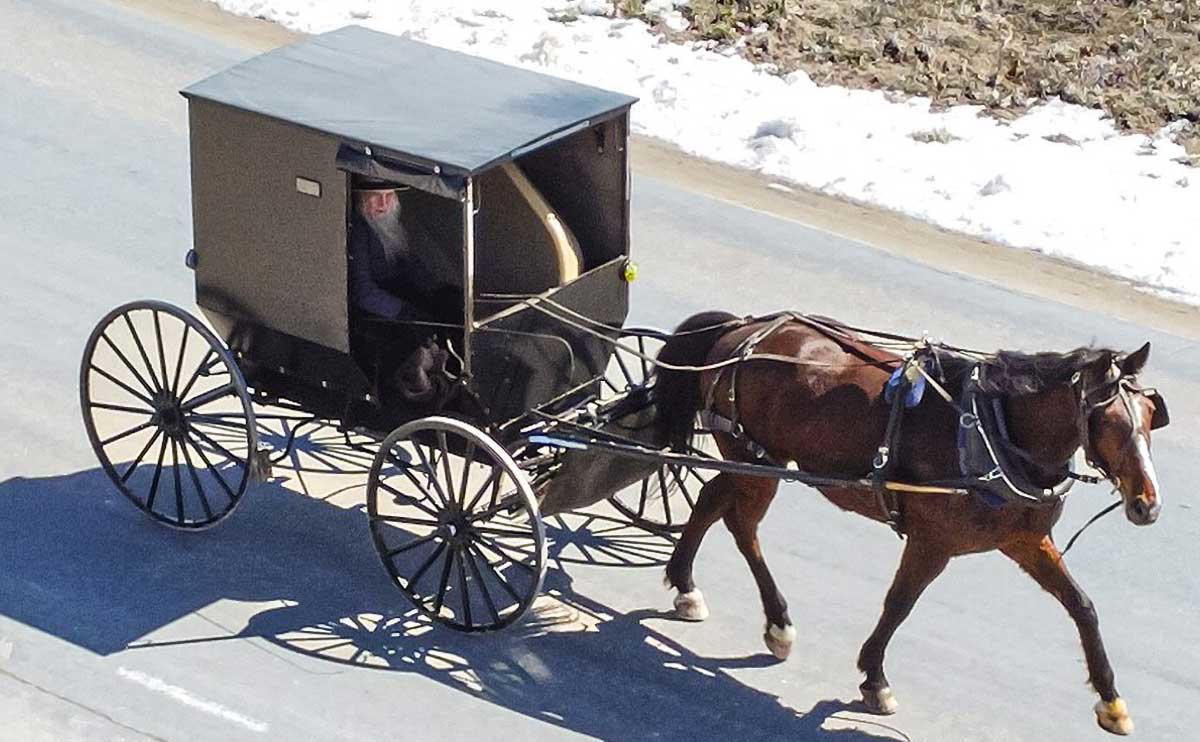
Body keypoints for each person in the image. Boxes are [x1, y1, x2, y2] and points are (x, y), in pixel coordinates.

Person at [348, 181, 462, 403]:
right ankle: (419, 390)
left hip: (399, 291)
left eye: (388, 196)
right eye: (375, 197)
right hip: (374, 309)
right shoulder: (359, 232)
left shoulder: (392, 226)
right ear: (361, 198)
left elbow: (411, 265)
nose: (383, 204)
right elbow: (363, 291)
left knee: (451, 304)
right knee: (412, 331)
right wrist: (403, 311)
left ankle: (458, 367)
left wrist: (437, 293)